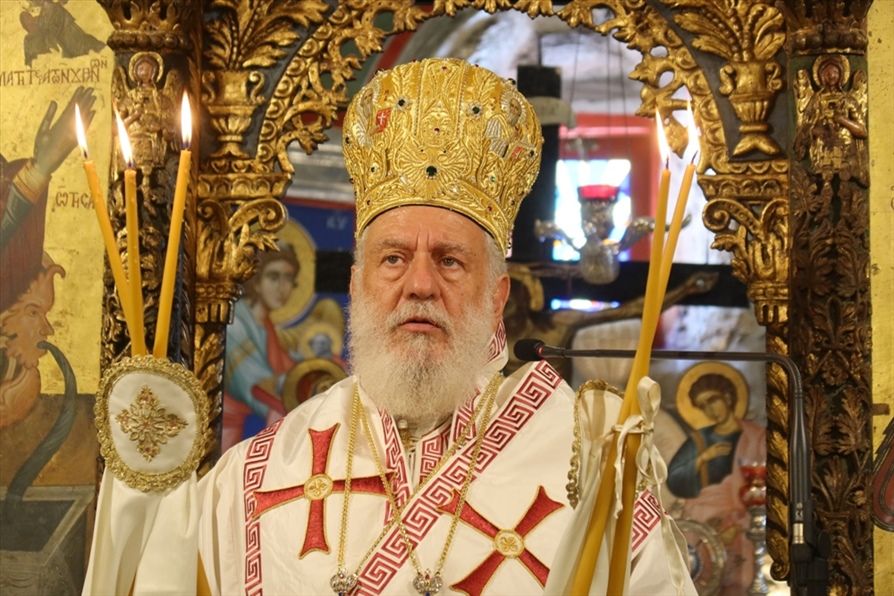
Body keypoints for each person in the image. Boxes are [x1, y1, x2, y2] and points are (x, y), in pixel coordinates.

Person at [192, 59, 694, 596]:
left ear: (497, 296)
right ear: (357, 285)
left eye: (450, 261)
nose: (420, 285)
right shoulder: (253, 477)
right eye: (393, 259)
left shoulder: (594, 472)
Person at [667, 368, 765, 595]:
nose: (710, 409)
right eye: (703, 405)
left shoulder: (756, 436)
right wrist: (703, 458)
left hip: (744, 519)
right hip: (702, 523)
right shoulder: (699, 440)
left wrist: (737, 525)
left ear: (728, 397)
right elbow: (674, 479)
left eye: (713, 400)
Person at [223, 242, 301, 450]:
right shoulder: (235, 323)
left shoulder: (266, 326)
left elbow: (285, 365)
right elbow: (254, 382)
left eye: (288, 278)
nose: (282, 287)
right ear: (256, 282)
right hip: (227, 437)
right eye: (273, 277)